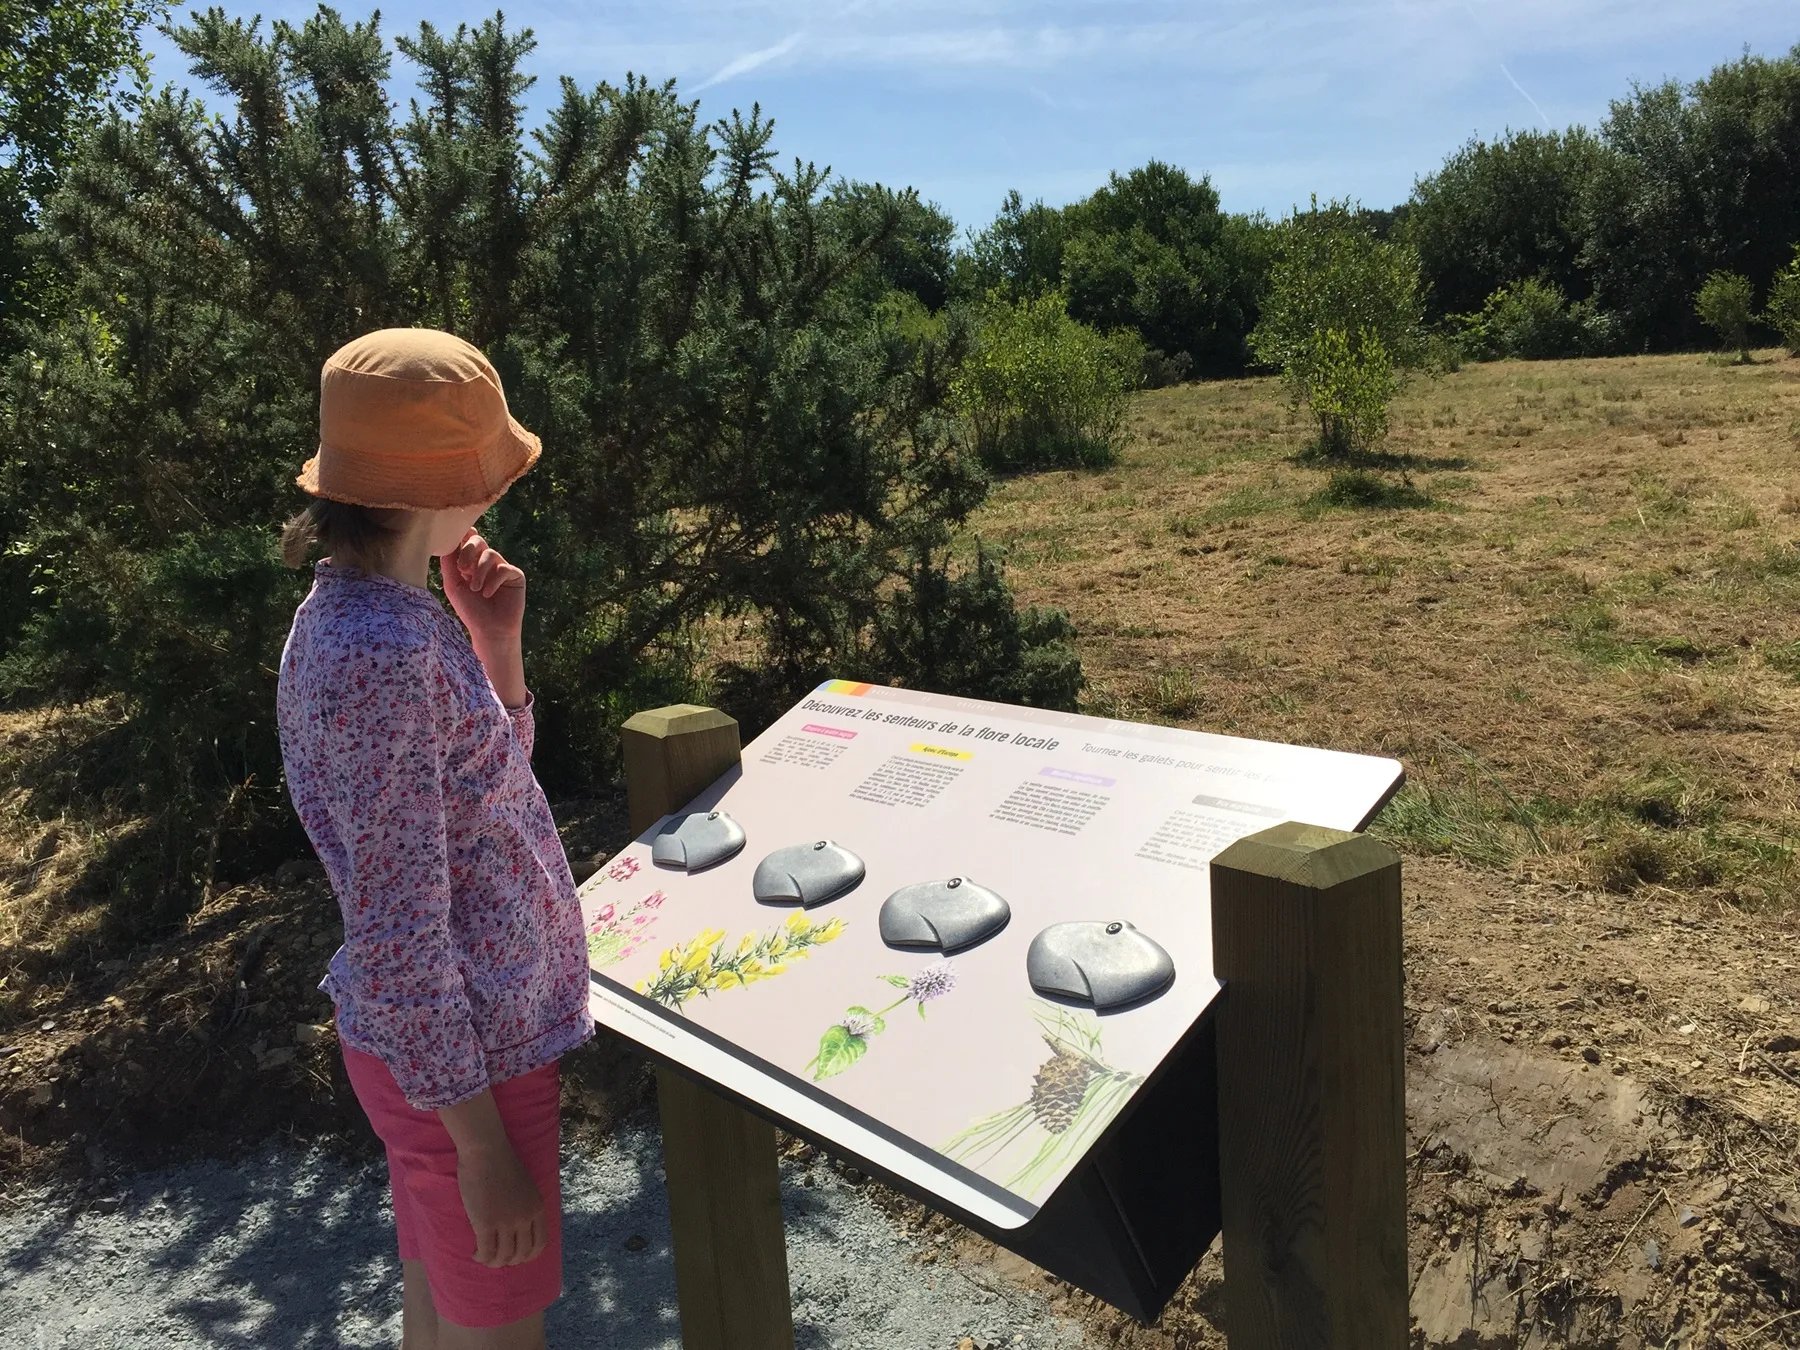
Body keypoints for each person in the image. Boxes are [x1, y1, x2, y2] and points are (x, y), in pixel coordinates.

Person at [276, 328, 593, 1350]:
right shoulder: (380, 652)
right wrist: (480, 1146)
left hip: (443, 1060)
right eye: (485, 473)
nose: (495, 497)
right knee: (495, 1334)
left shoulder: (375, 619)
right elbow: (399, 929)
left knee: (444, 1318)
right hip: (472, 1067)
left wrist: (499, 657)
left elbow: (474, 803)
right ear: (433, 488)